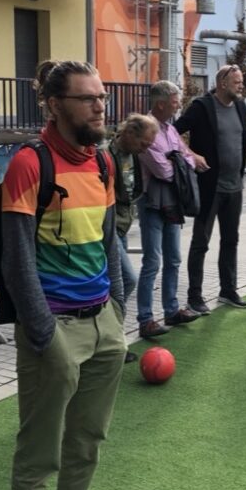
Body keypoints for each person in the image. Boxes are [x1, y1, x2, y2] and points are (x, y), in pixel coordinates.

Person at [1, 60, 135, 490]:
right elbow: (17, 257)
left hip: (103, 321)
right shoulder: (30, 164)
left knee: (89, 437)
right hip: (54, 328)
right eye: (87, 100)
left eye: (102, 98)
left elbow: (107, 238)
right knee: (39, 453)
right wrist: (41, 331)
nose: (100, 108)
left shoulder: (103, 159)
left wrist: (118, 308)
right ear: (54, 104)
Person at [174, 64, 246, 313]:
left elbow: (244, 133)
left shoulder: (240, 106)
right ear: (222, 82)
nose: (241, 85)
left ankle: (227, 290)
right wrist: (191, 155)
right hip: (210, 187)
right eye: (237, 82)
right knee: (201, 241)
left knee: (231, 240)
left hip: (235, 187)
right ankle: (195, 296)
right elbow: (174, 131)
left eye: (242, 81)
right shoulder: (202, 107)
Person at [137, 80, 204, 337]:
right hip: (152, 203)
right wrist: (180, 161)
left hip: (172, 202)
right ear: (161, 103)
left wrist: (179, 159)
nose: (178, 105)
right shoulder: (146, 128)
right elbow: (162, 170)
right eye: (175, 101)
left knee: (174, 258)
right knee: (152, 261)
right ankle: (145, 319)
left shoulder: (170, 129)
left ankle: (172, 310)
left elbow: (184, 156)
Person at [108, 112, 158, 361]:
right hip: (108, 228)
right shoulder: (107, 153)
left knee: (114, 287)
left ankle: (112, 340)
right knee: (127, 280)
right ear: (129, 133)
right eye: (143, 144)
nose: (145, 149)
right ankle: (113, 343)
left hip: (123, 226)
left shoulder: (134, 155)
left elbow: (134, 187)